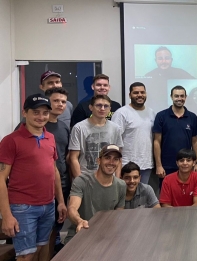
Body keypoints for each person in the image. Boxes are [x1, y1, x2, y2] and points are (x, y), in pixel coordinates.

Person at [0, 93, 67, 260]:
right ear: (25, 113)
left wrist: (61, 202)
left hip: (48, 205)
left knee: (40, 250)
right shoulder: (11, 140)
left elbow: (54, 171)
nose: (41, 117)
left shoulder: (50, 137)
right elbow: (0, 178)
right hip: (23, 207)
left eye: (45, 112)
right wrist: (7, 215)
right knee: (25, 256)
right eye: (36, 112)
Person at [65, 144, 126, 244]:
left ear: (119, 163)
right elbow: (72, 208)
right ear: (98, 160)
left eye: (115, 159)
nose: (111, 162)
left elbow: (118, 215)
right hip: (80, 234)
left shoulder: (121, 185)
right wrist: (79, 221)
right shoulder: (81, 181)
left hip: (105, 237)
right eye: (107, 158)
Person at [43, 87, 72, 256]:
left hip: (62, 183)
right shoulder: (34, 124)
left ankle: (51, 254)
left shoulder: (63, 127)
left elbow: (65, 156)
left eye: (63, 102)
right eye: (56, 101)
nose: (60, 105)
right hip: (41, 186)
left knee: (56, 225)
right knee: (43, 231)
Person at [153, 85, 197, 188]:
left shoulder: (192, 117)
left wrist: (196, 163)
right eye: (176, 96)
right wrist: (158, 165)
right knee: (167, 197)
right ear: (171, 97)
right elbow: (156, 141)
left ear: (186, 97)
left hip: (187, 165)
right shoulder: (161, 116)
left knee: (186, 196)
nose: (179, 98)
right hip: (166, 166)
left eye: (182, 96)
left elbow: (195, 141)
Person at [69, 95, 124, 178]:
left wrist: (117, 180)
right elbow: (73, 158)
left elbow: (118, 158)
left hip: (109, 180)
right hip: (86, 179)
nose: (102, 108)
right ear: (91, 107)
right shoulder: (79, 128)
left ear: (109, 109)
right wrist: (79, 182)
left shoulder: (115, 128)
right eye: (98, 105)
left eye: (106, 106)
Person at [111, 82, 156, 184]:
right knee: (125, 197)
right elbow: (114, 141)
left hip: (147, 164)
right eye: (136, 92)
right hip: (126, 165)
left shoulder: (151, 112)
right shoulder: (121, 113)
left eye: (142, 92)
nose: (140, 95)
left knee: (141, 197)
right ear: (130, 95)